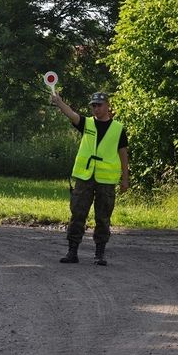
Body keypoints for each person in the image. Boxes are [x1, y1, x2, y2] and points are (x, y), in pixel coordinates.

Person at [51, 91, 129, 266]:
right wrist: (59, 102)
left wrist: (125, 178)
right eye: (93, 105)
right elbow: (71, 114)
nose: (96, 108)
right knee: (78, 213)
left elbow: (123, 155)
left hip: (106, 180)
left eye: (99, 105)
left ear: (108, 106)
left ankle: (99, 254)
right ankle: (72, 252)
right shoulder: (87, 123)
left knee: (103, 217)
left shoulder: (118, 129)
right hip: (85, 177)